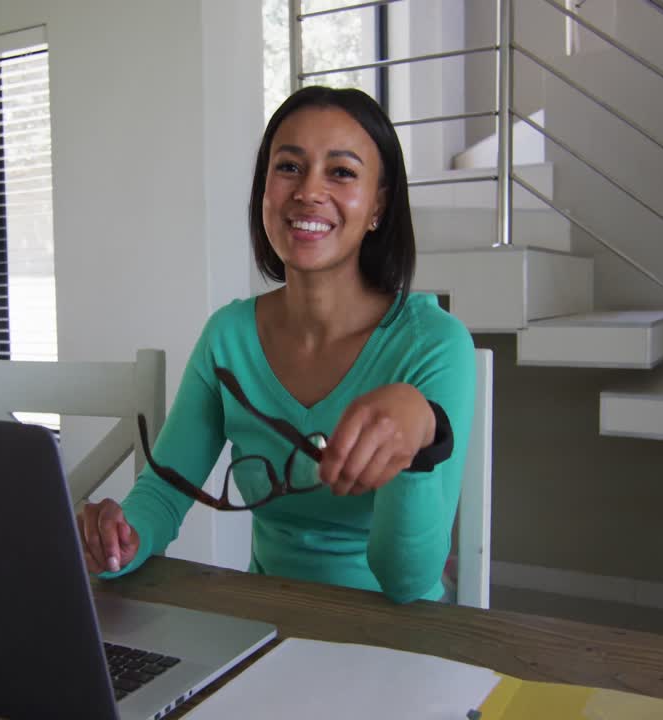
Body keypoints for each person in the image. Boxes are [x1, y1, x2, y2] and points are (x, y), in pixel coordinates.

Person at [77, 86, 476, 604]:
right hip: (268, 624)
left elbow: (405, 581)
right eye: (289, 167)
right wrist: (117, 542)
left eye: (342, 172)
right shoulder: (229, 337)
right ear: (264, 190)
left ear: (378, 205)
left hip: (398, 636)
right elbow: (164, 492)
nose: (309, 191)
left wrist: (423, 432)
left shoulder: (435, 345)